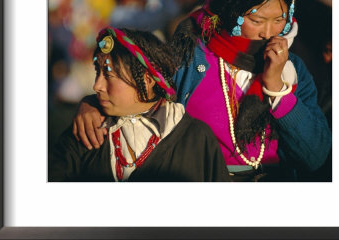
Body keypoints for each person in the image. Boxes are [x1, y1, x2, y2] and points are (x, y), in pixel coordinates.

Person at [73, 0, 332, 182]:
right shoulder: (191, 56)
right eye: (257, 19)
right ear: (233, 10)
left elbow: (315, 155)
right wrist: (93, 106)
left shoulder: (291, 69)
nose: (268, 32)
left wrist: (277, 89)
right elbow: (136, 88)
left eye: (279, 20)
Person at [49, 27, 230, 182]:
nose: (97, 86)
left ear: (147, 80)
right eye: (98, 72)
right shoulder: (88, 132)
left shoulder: (196, 138)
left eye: (109, 75)